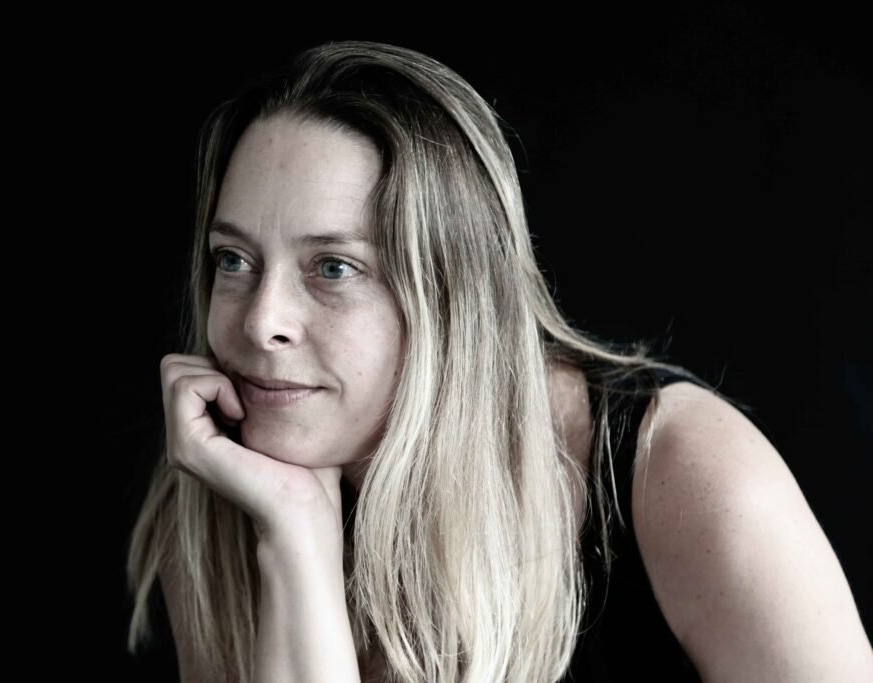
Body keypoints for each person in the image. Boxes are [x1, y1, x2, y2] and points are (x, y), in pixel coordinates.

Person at [124, 40, 873, 682]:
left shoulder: (676, 473)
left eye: (333, 268)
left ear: (453, 292)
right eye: (233, 258)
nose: (261, 322)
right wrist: (294, 539)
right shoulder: (227, 494)